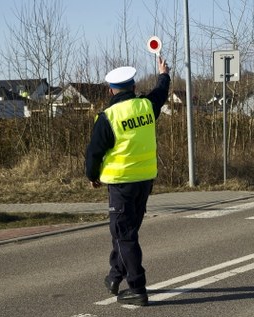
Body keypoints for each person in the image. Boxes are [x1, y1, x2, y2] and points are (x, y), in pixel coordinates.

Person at [85, 56, 170, 306]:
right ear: (133, 87)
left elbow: (94, 153)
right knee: (126, 233)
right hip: (145, 181)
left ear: (111, 90)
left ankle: (137, 288)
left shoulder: (107, 117)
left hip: (121, 184)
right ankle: (114, 276)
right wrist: (163, 73)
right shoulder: (146, 106)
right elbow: (161, 92)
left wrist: (92, 176)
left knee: (124, 235)